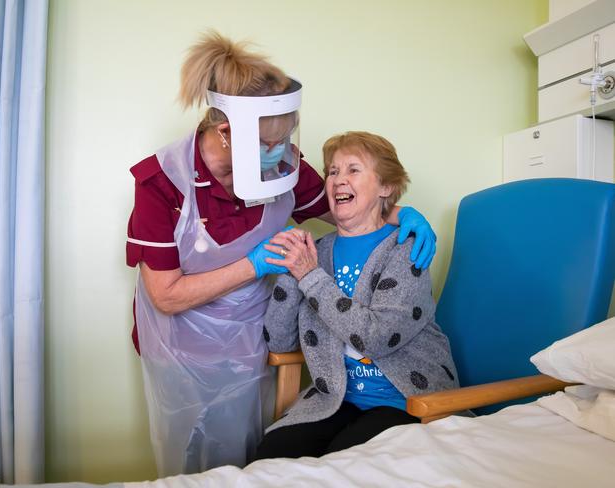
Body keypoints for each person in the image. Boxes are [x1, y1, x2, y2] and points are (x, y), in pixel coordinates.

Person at [125, 32, 437, 475]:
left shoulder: (282, 164)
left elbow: (343, 207)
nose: (282, 155)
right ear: (226, 133)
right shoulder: (162, 185)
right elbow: (167, 295)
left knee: (248, 456)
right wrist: (254, 265)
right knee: (190, 461)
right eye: (269, 144)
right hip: (181, 345)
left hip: (252, 341)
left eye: (286, 139)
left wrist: (402, 211)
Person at [255, 131, 459, 460]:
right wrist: (290, 269)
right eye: (332, 172)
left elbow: (375, 337)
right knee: (271, 454)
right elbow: (278, 341)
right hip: (337, 398)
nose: (338, 180)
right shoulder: (317, 252)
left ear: (386, 187)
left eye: (353, 170)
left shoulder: (406, 250)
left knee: (341, 465)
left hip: (407, 399)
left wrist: (309, 275)